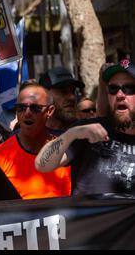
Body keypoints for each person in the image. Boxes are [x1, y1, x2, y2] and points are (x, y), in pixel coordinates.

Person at [35, 59, 135, 196]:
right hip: (93, 217)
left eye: (129, 88)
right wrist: (71, 134)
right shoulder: (87, 130)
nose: (119, 95)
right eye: (113, 88)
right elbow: (42, 164)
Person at [0, 81, 71, 199]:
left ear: (50, 111)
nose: (27, 113)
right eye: (21, 108)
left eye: (35, 108)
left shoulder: (68, 153)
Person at [39, 67, 85, 135]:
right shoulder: (30, 136)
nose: (72, 97)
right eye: (63, 92)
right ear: (44, 95)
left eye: (73, 91)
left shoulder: (85, 133)